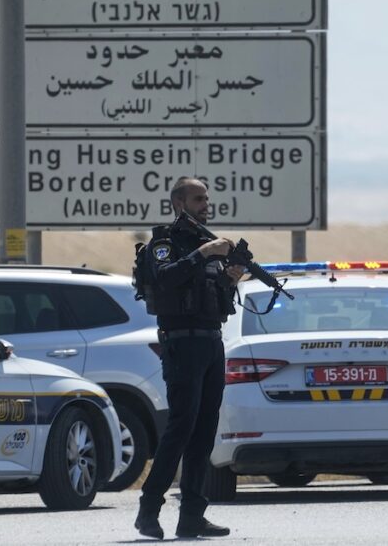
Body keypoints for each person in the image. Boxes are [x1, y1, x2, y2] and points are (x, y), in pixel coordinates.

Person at [134, 178, 244, 540]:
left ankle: (193, 515)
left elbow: (219, 306)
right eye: (198, 199)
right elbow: (165, 279)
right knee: (180, 428)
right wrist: (204, 254)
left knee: (204, 431)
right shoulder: (164, 245)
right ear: (179, 203)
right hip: (182, 344)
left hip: (212, 343)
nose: (205, 204)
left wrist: (230, 279)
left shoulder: (205, 246)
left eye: (207, 199)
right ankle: (149, 510)